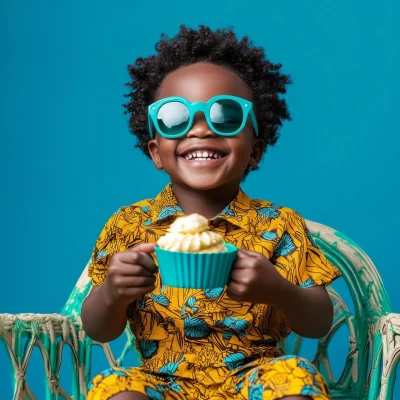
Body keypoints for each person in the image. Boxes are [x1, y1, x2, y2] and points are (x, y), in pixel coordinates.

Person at [81, 25, 341, 400]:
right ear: (155, 151)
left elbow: (318, 322)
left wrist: (279, 290)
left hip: (257, 380)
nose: (200, 130)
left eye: (225, 115)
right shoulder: (129, 225)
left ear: (255, 150)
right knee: (115, 387)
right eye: (175, 118)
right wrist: (112, 293)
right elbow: (98, 330)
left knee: (296, 377)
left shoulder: (278, 224)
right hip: (162, 382)